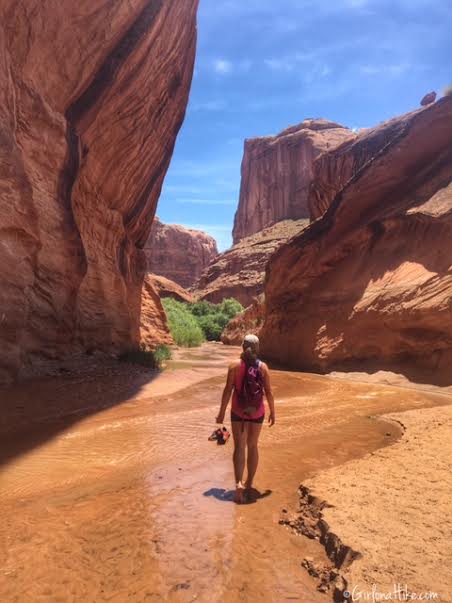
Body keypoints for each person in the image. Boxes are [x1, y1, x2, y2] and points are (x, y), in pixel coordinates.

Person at [216, 334, 275, 503]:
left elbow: (228, 390)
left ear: (242, 346)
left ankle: (238, 484)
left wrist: (221, 413)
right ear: (258, 348)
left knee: (239, 447)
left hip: (238, 412)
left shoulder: (234, 366)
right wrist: (273, 411)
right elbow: (269, 392)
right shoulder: (263, 367)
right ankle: (249, 484)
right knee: (253, 445)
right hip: (257, 412)